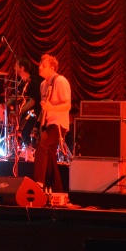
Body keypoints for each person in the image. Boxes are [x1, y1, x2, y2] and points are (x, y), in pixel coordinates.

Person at [34, 53, 71, 193]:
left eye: (43, 65)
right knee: (50, 157)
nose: (40, 67)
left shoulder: (61, 81)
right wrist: (38, 124)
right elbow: (45, 108)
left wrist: (51, 108)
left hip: (58, 124)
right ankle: (57, 190)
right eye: (40, 64)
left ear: (52, 67)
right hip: (49, 123)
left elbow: (67, 105)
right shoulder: (43, 85)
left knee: (42, 144)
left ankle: (38, 183)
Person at [9, 57, 42, 149]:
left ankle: (28, 147)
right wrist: (3, 106)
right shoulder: (20, 82)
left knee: (25, 130)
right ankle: (19, 148)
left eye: (16, 66)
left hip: (34, 113)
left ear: (22, 68)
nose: (14, 68)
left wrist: (18, 112)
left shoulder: (34, 81)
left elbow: (32, 102)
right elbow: (14, 98)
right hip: (24, 113)